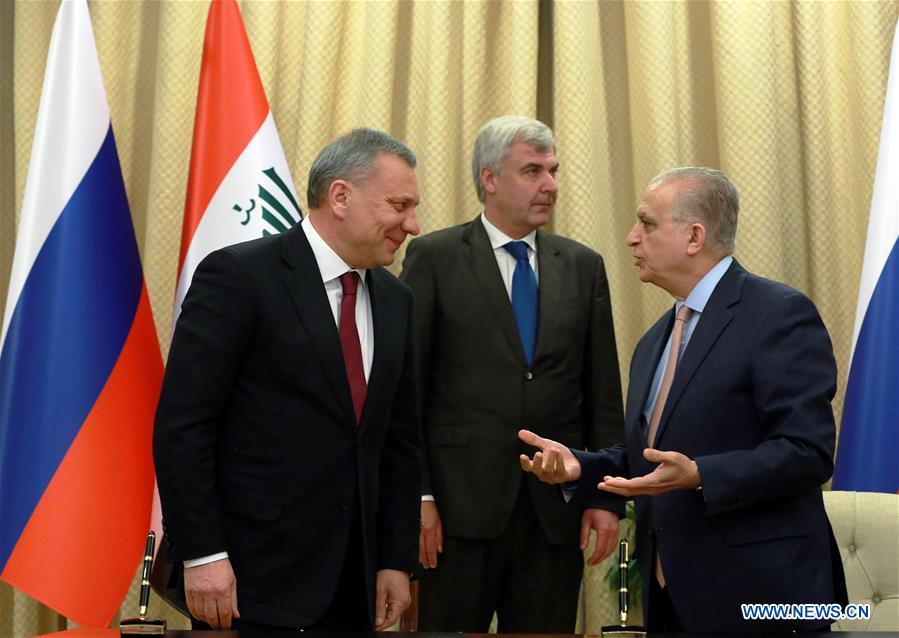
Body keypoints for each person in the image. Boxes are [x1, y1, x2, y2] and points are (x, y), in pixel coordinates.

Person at [520, 167, 848, 632]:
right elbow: (652, 457)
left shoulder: (777, 314)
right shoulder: (655, 339)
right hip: (670, 596)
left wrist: (700, 475)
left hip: (761, 595)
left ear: (694, 236)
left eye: (647, 223)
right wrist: (581, 467)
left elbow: (807, 452)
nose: (632, 238)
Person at [153, 128, 422, 632]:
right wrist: (203, 553)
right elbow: (184, 426)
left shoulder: (396, 299)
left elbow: (399, 442)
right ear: (340, 196)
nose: (413, 224)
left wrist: (394, 559)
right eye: (399, 205)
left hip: (356, 581)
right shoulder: (240, 276)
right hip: (250, 578)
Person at [400, 115, 625, 633]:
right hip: (456, 514)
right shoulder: (434, 257)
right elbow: (407, 389)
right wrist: (420, 496)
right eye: (532, 171)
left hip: (553, 515)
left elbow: (602, 391)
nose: (550, 185)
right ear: (490, 178)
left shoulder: (583, 265)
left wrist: (604, 495)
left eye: (553, 170)